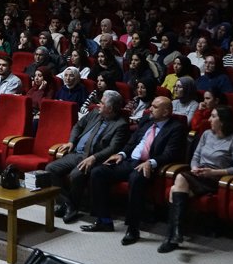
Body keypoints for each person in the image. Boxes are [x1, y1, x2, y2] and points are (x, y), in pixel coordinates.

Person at [81, 96, 186, 245]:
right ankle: (104, 220)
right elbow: (131, 143)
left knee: (136, 179)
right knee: (98, 172)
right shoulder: (146, 122)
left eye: (155, 107)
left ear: (166, 112)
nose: (150, 109)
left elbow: (171, 153)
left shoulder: (175, 128)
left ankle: (133, 227)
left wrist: (151, 162)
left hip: (150, 165)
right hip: (130, 161)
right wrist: (121, 154)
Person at [158, 104, 233, 253]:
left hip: (215, 179)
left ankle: (172, 236)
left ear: (222, 121)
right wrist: (194, 168)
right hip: (197, 175)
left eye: (213, 116)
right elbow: (195, 156)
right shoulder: (206, 134)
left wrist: (213, 173)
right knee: (179, 183)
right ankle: (175, 234)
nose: (209, 119)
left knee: (175, 188)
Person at [47, 90, 129, 224]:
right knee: (50, 168)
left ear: (110, 108)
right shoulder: (95, 113)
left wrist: (94, 158)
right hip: (77, 154)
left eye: (102, 103)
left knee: (75, 175)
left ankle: (71, 207)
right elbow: (78, 126)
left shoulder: (121, 125)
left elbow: (113, 148)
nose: (98, 105)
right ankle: (68, 204)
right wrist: (71, 141)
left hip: (95, 159)